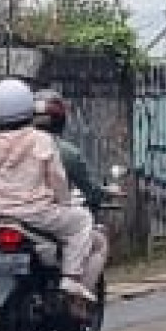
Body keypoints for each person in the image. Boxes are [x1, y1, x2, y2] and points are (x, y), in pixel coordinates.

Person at [0, 77, 97, 302]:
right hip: (38, 213)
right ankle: (71, 278)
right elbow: (57, 178)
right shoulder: (42, 140)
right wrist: (63, 203)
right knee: (82, 221)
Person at [32, 88, 110, 295]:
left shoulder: (12, 146)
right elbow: (88, 189)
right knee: (95, 237)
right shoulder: (65, 152)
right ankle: (76, 290)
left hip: (12, 215)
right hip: (47, 216)